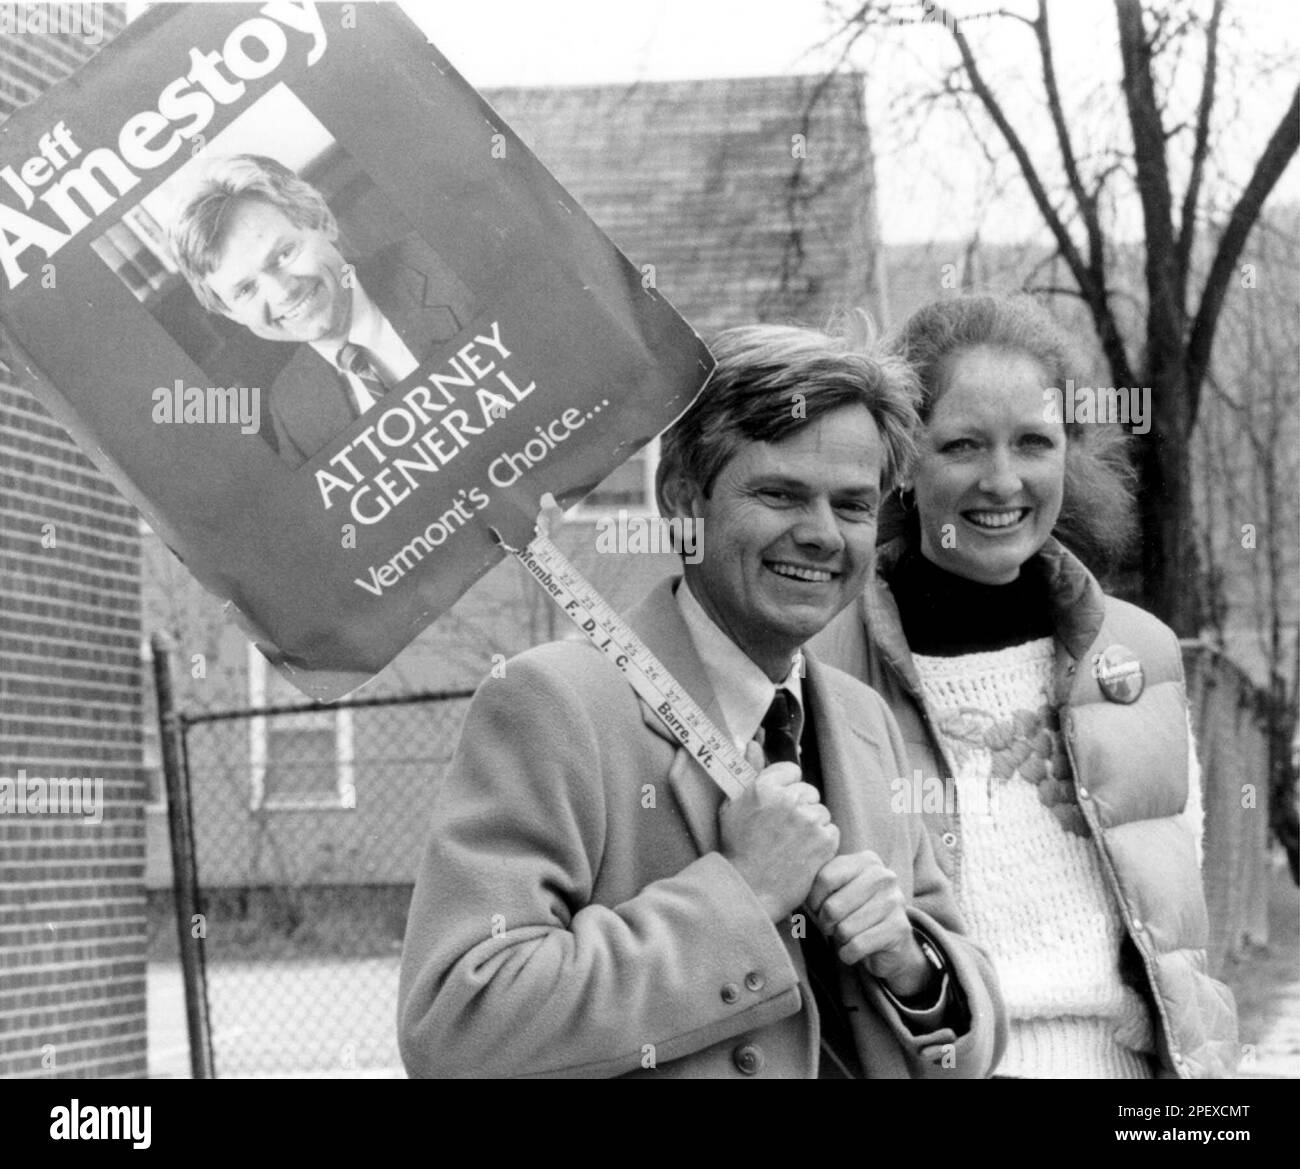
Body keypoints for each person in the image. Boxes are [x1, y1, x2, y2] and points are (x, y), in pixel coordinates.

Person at [398, 323, 1005, 1078]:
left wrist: (912, 966)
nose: (821, 534)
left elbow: (968, 1041)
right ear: (684, 502)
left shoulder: (862, 719)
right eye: (780, 493)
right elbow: (458, 1024)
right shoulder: (555, 705)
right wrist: (742, 895)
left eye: (852, 505)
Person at [811, 294, 1239, 1078]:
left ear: (1068, 457)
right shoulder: (825, 669)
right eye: (964, 444)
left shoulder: (1137, 660)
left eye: (1034, 442)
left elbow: (1171, 951)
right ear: (904, 464)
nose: (1002, 480)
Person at [168, 154, 476, 467]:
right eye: (246, 290)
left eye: (284, 255)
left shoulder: (448, 265)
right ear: (231, 314)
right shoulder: (292, 410)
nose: (283, 292)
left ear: (321, 221)